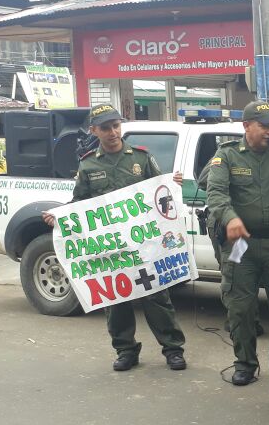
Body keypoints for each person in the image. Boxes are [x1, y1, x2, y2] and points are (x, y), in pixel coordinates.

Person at [42, 105, 188, 372]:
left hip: (145, 246)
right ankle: (125, 350)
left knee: (156, 297)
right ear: (94, 130)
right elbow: (80, 205)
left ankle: (173, 349)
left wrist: (172, 185)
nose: (113, 132)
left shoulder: (142, 159)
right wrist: (61, 217)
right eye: (106, 127)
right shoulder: (88, 165)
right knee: (116, 299)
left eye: (116, 126)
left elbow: (159, 194)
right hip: (112, 251)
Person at [205, 100, 269, 386]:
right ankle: (244, 364)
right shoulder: (227, 156)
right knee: (240, 308)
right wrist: (229, 218)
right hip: (241, 246)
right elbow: (215, 194)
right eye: (264, 126)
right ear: (246, 126)